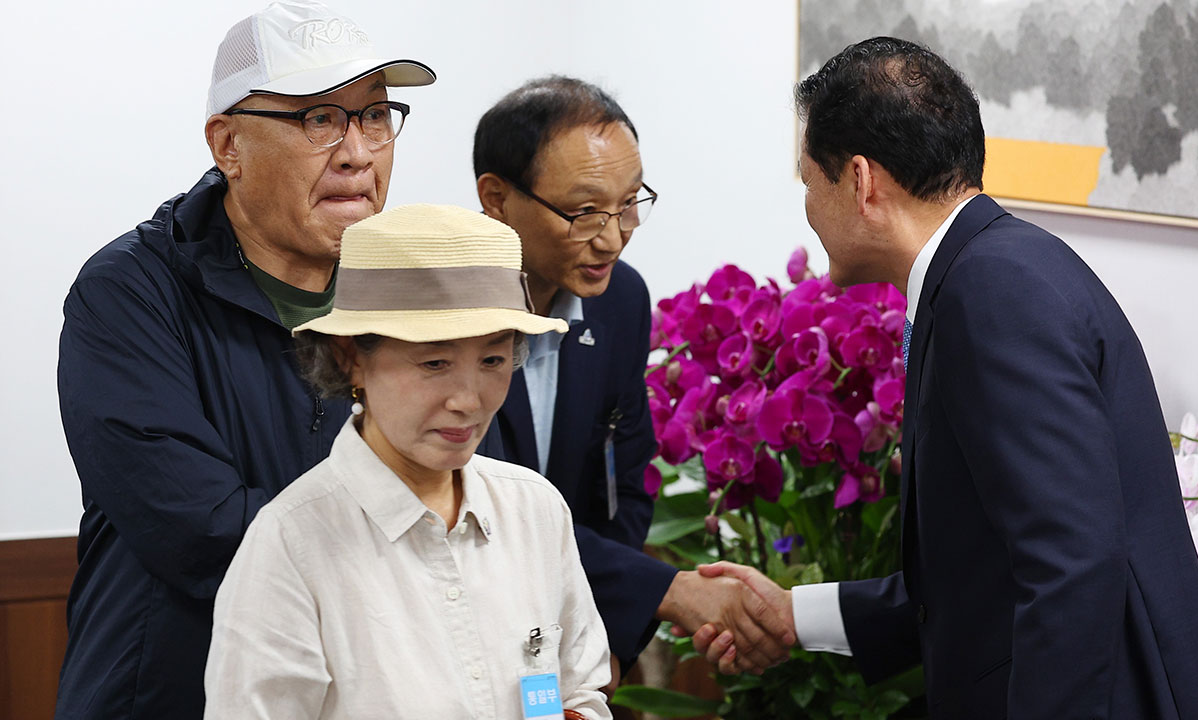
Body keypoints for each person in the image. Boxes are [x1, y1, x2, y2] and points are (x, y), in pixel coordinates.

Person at [694, 36, 1198, 718]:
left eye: (809, 181)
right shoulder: (992, 268)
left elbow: (1071, 565)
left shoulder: (990, 292)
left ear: (862, 181)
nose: (807, 208)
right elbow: (977, 581)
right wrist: (794, 615)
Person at [54, 2, 434, 717]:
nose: (357, 151)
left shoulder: (407, 293)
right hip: (169, 694)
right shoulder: (129, 292)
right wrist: (418, 537)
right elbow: (203, 531)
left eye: (376, 116)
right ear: (227, 145)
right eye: (320, 119)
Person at [204, 204, 610, 720]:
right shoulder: (292, 543)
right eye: (435, 362)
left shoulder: (534, 509)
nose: (468, 399)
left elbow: (580, 691)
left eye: (492, 359)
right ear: (350, 356)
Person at [472, 76, 794, 680]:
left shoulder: (619, 300)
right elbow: (482, 509)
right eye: (585, 210)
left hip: (559, 633)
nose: (614, 236)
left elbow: (625, 486)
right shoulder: (440, 314)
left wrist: (604, 627)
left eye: (629, 204)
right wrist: (664, 591)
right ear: (496, 198)